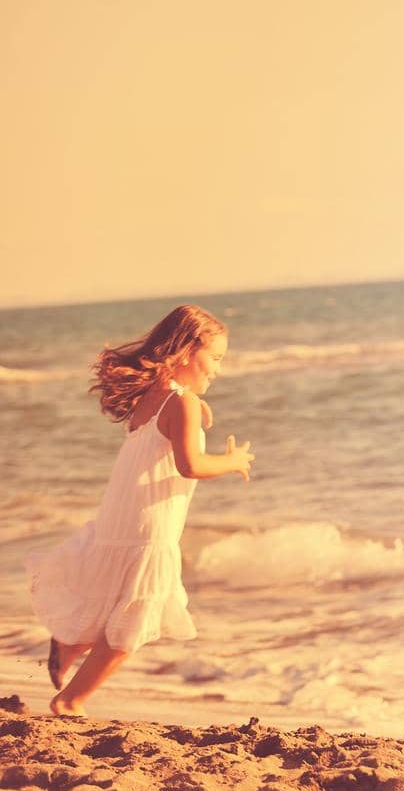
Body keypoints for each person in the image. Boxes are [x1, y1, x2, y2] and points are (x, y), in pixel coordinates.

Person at [25, 304, 255, 716]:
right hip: (149, 524)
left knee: (115, 603)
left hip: (122, 514)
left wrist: (194, 407)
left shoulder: (155, 397)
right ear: (186, 351)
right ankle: (70, 701)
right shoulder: (180, 404)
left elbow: (166, 432)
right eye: (215, 358)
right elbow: (191, 466)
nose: (218, 369)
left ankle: (68, 644)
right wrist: (232, 460)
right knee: (133, 620)